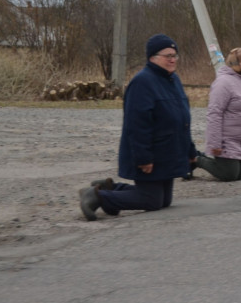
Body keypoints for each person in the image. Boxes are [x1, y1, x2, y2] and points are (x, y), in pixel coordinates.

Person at [79, 34, 197, 220]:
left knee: (163, 201)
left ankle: (111, 188)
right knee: (151, 201)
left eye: (175, 55)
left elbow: (183, 120)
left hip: (167, 152)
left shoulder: (174, 80)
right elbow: (137, 124)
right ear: (153, 57)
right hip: (152, 154)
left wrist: (190, 151)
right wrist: (143, 157)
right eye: (168, 56)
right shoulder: (143, 82)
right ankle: (97, 196)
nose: (173, 59)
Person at [195, 47, 241, 181]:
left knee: (239, 176)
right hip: (226, 140)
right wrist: (215, 143)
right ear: (233, 62)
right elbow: (214, 113)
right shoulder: (223, 82)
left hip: (240, 142)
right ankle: (196, 160)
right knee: (229, 175)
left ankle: (206, 160)